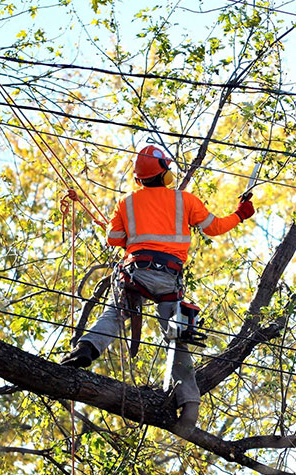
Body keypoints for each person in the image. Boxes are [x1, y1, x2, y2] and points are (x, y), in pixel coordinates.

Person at [60, 144, 255, 432]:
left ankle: (85, 350)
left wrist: (133, 234)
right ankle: (189, 404)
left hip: (135, 272)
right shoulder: (185, 200)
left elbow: (114, 238)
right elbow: (214, 227)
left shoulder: (127, 202)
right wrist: (240, 213)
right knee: (175, 335)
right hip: (168, 277)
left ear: (139, 179)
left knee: (114, 314)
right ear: (165, 174)